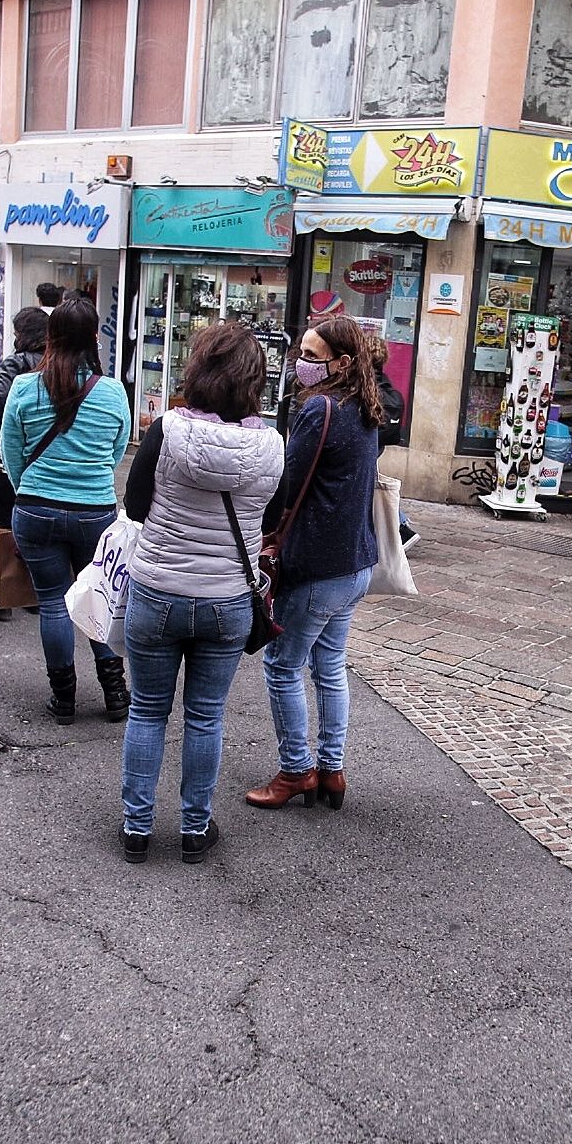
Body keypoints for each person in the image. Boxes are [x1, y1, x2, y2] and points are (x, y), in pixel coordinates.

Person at [118, 324, 284, 864]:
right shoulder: (273, 446)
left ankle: (137, 830)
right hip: (227, 599)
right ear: (255, 382)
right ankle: (194, 829)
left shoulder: (167, 431)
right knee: (206, 716)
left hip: (158, 589)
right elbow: (272, 523)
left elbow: (137, 505)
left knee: (147, 711)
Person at [246, 313, 382, 813]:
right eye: (299, 353)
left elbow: (285, 481)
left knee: (283, 667)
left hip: (318, 566)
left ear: (341, 363)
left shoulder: (320, 408)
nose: (299, 364)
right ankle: (332, 769)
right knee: (329, 667)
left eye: (310, 356)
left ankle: (295, 771)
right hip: (355, 563)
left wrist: (263, 534)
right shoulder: (365, 406)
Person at [0, 296, 132, 725]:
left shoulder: (23, 387)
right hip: (95, 511)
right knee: (99, 596)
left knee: (53, 603)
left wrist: (29, 491)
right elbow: (115, 452)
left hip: (36, 509)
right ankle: (115, 694)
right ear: (95, 338)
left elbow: (11, 453)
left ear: (50, 338)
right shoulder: (112, 392)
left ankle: (64, 699)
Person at [0, 306, 50, 621]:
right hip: (43, 458)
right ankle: (31, 594)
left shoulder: (16, 363)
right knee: (33, 525)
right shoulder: (56, 365)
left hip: (6, 457)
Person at [365, 334, 418, 550]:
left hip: (367, 440)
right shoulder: (383, 380)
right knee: (367, 484)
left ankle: (401, 528)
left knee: (366, 486)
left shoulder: (365, 383)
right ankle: (400, 525)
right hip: (378, 441)